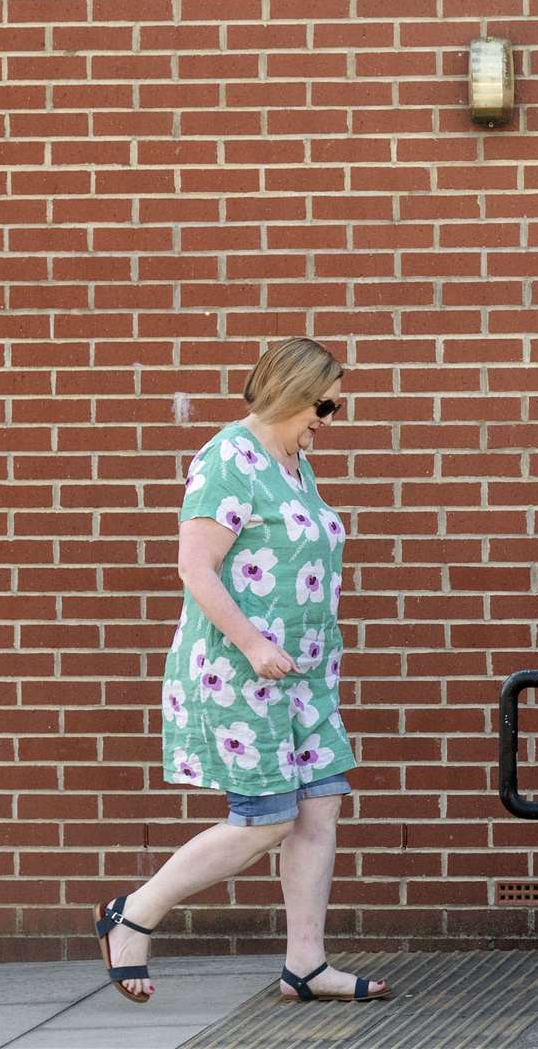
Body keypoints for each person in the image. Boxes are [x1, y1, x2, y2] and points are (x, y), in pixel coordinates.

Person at [92, 338, 389, 1004]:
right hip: (240, 669)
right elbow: (195, 567)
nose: (330, 416)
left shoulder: (294, 464)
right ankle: (133, 915)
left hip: (303, 674)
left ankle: (305, 966)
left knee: (319, 808)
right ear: (293, 389)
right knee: (267, 819)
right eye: (326, 402)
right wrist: (254, 644)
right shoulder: (229, 457)